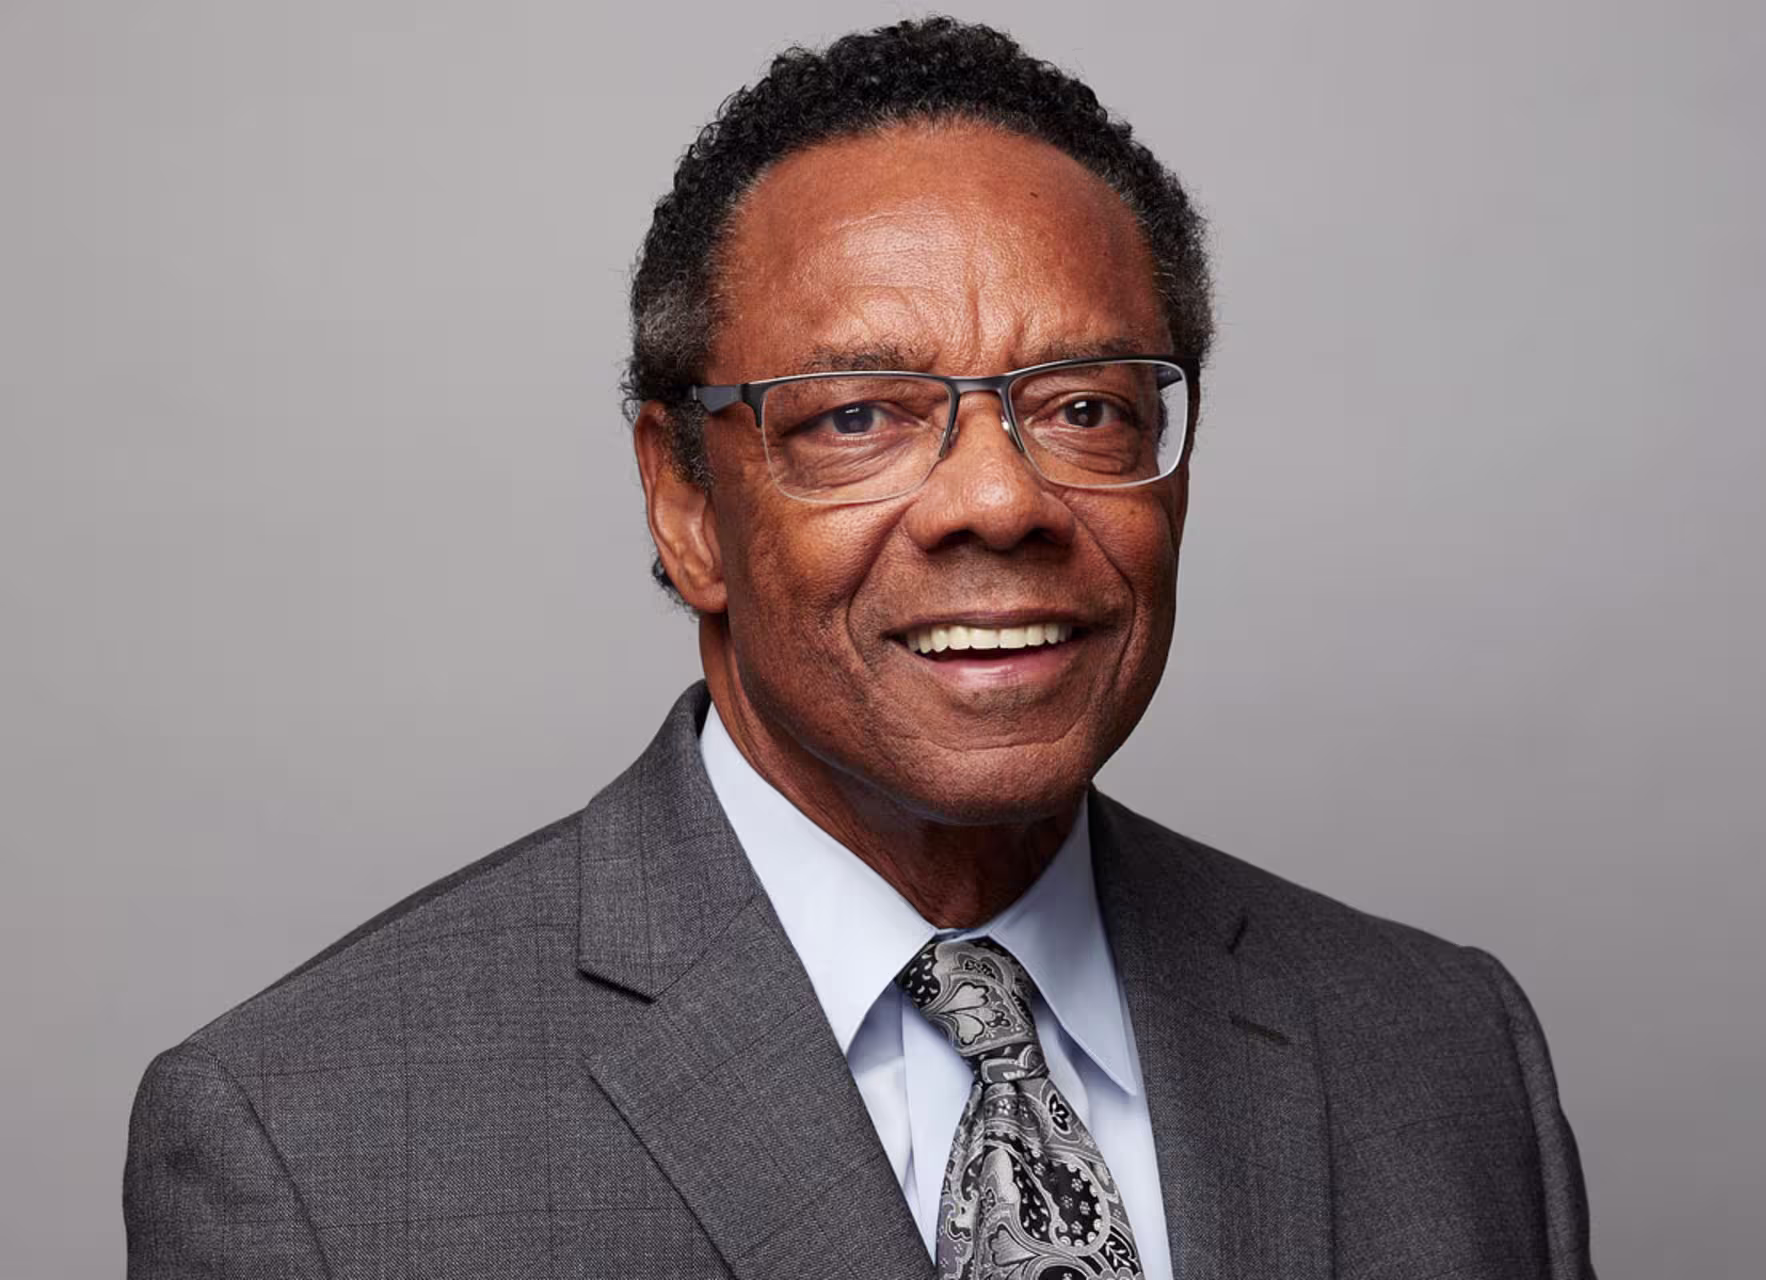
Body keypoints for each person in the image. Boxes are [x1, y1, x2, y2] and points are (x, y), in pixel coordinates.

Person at [124, 17, 1593, 1279]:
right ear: (684, 499)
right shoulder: (313, 1148)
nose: (1000, 500)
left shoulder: (1444, 1058)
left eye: (1086, 407)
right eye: (857, 418)